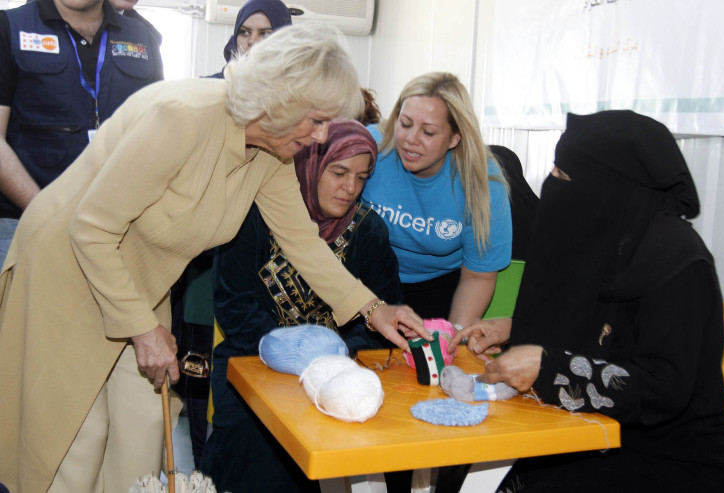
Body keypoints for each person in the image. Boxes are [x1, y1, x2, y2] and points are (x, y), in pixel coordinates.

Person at [0, 24, 429, 493]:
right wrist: (144, 329)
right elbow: (92, 227)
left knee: (143, 425)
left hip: (138, 283)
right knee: (77, 438)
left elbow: (302, 243)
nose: (322, 136)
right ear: (279, 99)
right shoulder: (181, 118)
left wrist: (374, 308)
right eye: (317, 120)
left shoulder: (272, 153)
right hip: (69, 272)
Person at [451, 110, 724, 492]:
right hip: (585, 435)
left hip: (670, 457)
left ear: (611, 187)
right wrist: (516, 328)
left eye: (564, 176)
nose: (552, 185)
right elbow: (598, 324)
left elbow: (663, 388)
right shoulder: (605, 240)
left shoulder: (679, 266)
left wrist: (549, 366)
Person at [199, 118, 401, 493]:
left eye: (361, 177)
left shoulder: (368, 230)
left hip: (337, 371)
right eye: (339, 172)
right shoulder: (256, 212)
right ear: (310, 163)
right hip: (253, 362)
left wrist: (332, 361)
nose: (349, 188)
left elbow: (378, 318)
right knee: (254, 447)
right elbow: (234, 305)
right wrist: (291, 355)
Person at [173, 0, 292, 467]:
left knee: (248, 370)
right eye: (246, 32)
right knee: (198, 364)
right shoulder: (204, 95)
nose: (254, 43)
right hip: (202, 254)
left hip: (259, 258)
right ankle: (203, 470)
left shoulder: (294, 108)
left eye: (267, 34)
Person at [0, 0, 164, 267]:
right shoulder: (10, 27)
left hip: (115, 232)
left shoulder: (141, 38)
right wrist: (46, 214)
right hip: (23, 225)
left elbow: (158, 139)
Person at [361, 72, 513, 329]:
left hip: (435, 290)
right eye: (405, 123)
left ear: (455, 138)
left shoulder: (482, 184)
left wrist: (451, 338)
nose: (410, 139)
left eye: (428, 132)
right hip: (362, 281)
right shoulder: (368, 146)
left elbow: (478, 277)